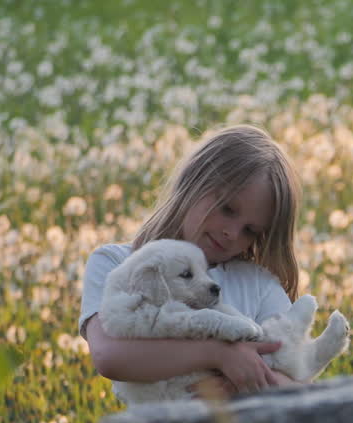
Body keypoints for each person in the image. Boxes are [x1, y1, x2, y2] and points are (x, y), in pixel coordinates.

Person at [79, 124, 305, 397]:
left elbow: (299, 381)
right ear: (194, 180)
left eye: (250, 231)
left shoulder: (259, 284)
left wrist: (242, 381)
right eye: (227, 209)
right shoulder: (116, 264)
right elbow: (109, 356)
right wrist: (219, 355)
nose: (231, 233)